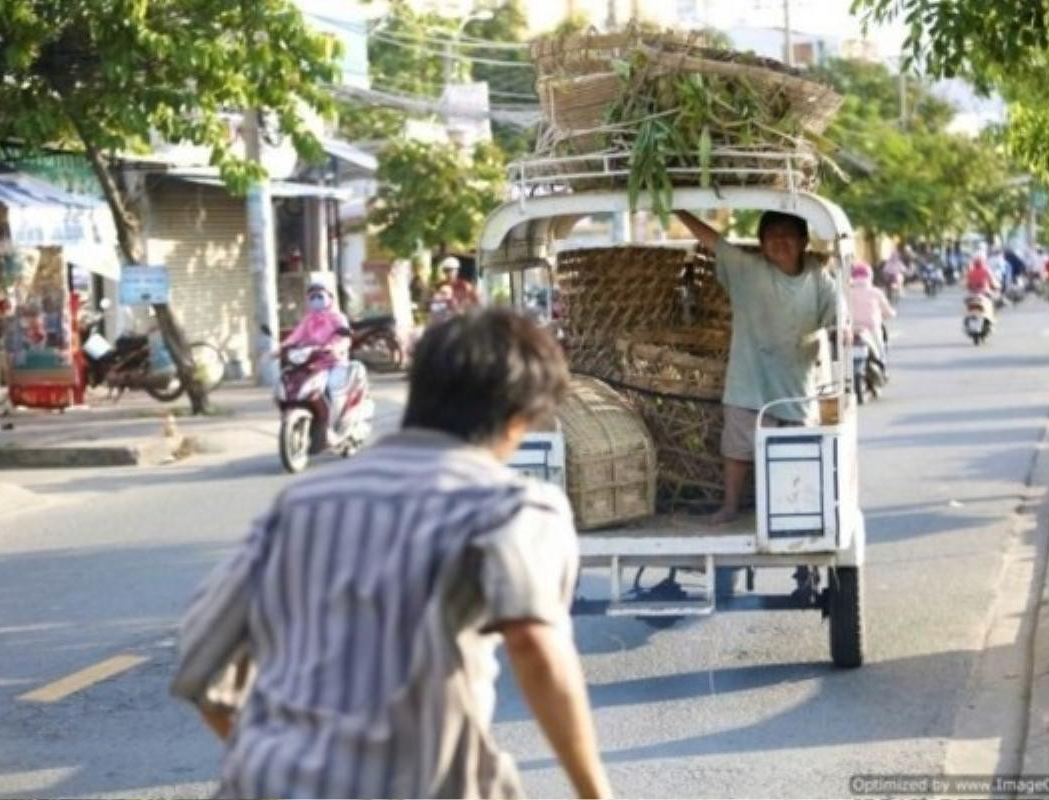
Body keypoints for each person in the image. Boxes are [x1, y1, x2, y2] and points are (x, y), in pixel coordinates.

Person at [170, 310, 610, 800]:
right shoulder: (510, 506)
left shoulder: (300, 503)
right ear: (517, 420)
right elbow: (534, 644)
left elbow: (200, 664)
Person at [674, 210, 839, 525]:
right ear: (761, 243)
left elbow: (836, 314)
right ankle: (731, 506)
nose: (779, 241)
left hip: (796, 387)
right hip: (749, 382)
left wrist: (844, 327)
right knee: (737, 450)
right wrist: (677, 208)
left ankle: (796, 509)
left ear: (804, 241)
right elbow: (714, 241)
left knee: (798, 453)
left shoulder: (818, 275)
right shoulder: (746, 269)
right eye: (771, 235)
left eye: (787, 234)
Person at [276, 282, 353, 399]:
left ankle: (336, 413)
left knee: (333, 386)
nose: (316, 300)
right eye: (312, 297)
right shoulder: (308, 319)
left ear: (330, 298)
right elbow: (296, 335)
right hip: (312, 362)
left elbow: (343, 338)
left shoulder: (338, 317)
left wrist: (333, 348)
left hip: (335, 361)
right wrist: (281, 348)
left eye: (320, 296)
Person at [848, 262, 895, 376]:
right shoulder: (876, 292)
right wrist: (890, 313)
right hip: (872, 327)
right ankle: (882, 372)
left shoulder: (848, 292)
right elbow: (887, 310)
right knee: (880, 351)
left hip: (853, 328)